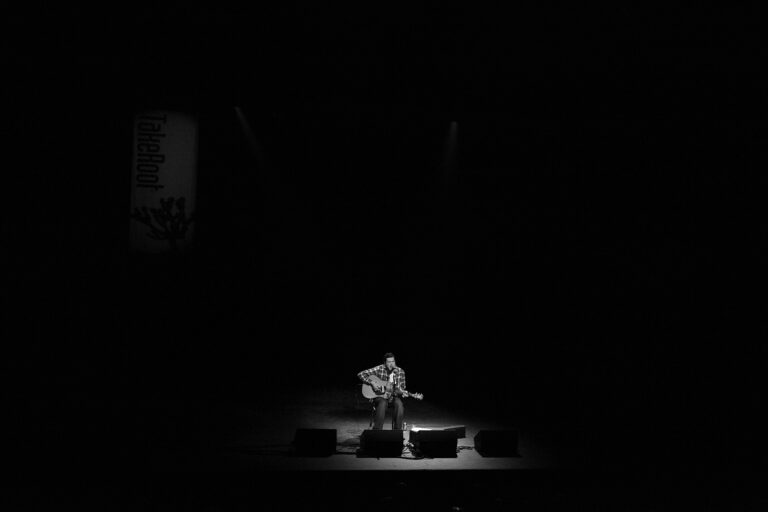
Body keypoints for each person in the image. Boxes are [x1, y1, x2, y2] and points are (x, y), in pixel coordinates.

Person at [357, 352, 407, 430]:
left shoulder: (400, 372)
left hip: (393, 397)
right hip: (380, 396)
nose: (391, 364)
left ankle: (397, 432)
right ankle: (377, 431)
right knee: (383, 402)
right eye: (389, 362)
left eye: (393, 361)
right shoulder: (379, 369)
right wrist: (372, 382)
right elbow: (361, 374)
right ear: (384, 363)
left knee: (399, 404)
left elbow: (402, 388)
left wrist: (402, 392)